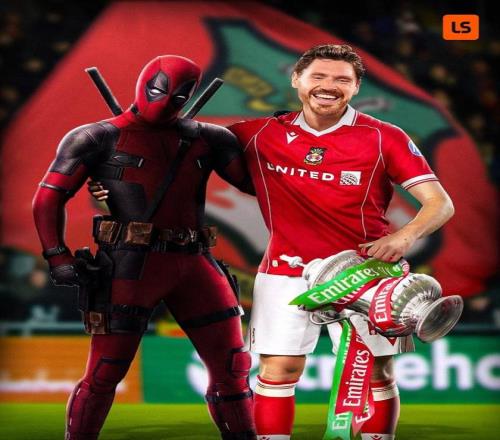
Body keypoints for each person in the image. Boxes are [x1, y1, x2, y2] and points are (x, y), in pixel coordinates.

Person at [91, 45, 455, 440]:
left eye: (341, 79)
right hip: (285, 271)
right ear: (297, 80)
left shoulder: (385, 137)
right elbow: (168, 146)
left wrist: (404, 236)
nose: (328, 86)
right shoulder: (257, 133)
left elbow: (440, 204)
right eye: (318, 76)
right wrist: (110, 183)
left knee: (376, 373)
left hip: (366, 272)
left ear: (355, 87)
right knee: (277, 372)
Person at [32, 55, 257, 440]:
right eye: (159, 90)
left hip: (193, 262)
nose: (165, 100)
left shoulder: (209, 138)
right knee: (105, 372)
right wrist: (57, 256)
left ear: (190, 95)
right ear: (143, 84)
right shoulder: (95, 137)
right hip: (129, 265)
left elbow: (258, 184)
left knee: (233, 369)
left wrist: (284, 141)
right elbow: (48, 198)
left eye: (178, 95)